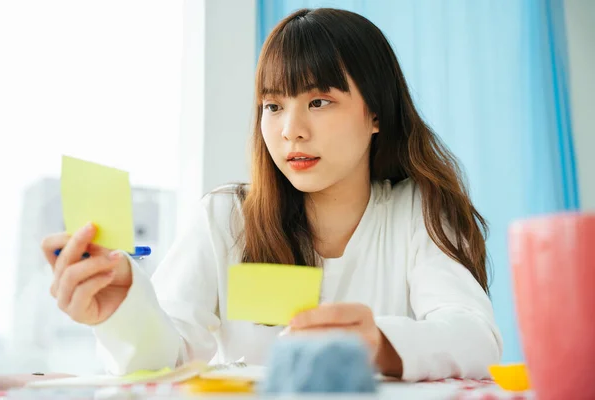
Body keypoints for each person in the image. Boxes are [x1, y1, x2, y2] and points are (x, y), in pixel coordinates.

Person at [41, 8, 502, 381]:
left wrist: (377, 343)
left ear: (376, 113)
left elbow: (475, 337)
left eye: (319, 102)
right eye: (273, 106)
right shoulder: (225, 218)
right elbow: (168, 358)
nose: (290, 131)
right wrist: (123, 311)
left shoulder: (416, 212)